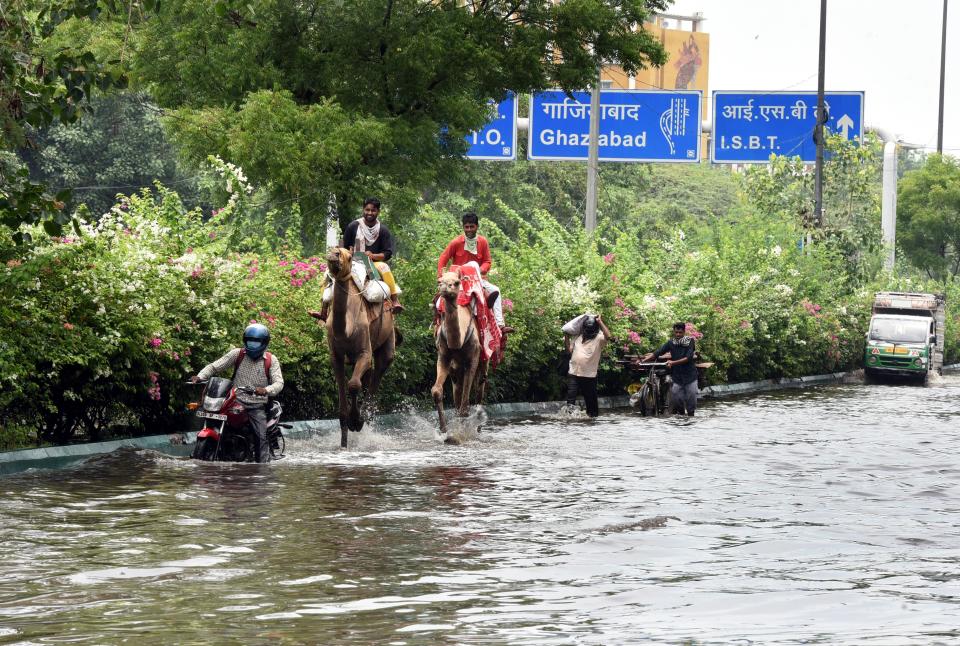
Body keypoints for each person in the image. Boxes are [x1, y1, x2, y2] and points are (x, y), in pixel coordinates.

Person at [191, 323, 284, 462]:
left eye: (256, 341)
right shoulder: (237, 354)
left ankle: (262, 468)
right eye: (250, 341)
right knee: (212, 416)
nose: (252, 344)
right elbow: (214, 366)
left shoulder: (271, 360)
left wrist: (265, 390)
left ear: (264, 343)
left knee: (260, 436)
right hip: (233, 401)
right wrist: (200, 376)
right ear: (245, 340)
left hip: (255, 405)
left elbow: (279, 383)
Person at [316, 197, 403, 322]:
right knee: (328, 273)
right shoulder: (353, 226)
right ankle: (323, 310)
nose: (369, 213)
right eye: (367, 210)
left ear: (378, 211)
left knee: (385, 267)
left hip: (373, 263)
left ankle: (395, 300)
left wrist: (372, 256)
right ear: (363, 210)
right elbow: (344, 247)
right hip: (353, 261)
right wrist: (348, 253)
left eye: (373, 210)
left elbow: (387, 253)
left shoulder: (383, 230)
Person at [437, 212, 513, 333]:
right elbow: (443, 258)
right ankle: (437, 327)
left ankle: (500, 325)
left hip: (478, 279)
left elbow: (487, 261)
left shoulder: (483, 242)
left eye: (472, 226)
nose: (469, 229)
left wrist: (479, 270)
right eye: (466, 227)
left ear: (477, 226)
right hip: (459, 281)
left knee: (496, 290)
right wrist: (441, 277)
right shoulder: (456, 242)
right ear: (463, 228)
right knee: (437, 303)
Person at [641, 321, 698, 416]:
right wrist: (643, 361)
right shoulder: (671, 343)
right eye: (676, 332)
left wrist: (673, 362)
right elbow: (658, 352)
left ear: (684, 332)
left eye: (680, 332)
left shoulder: (690, 341)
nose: (678, 334)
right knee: (677, 398)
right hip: (677, 376)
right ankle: (682, 417)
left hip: (690, 376)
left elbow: (688, 358)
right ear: (674, 332)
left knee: (691, 399)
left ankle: (690, 417)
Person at [564, 314, 610, 417]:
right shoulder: (577, 336)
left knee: (591, 402)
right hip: (574, 372)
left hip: (589, 375)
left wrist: (600, 322)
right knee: (570, 398)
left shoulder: (599, 339)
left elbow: (608, 336)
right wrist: (566, 336)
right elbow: (569, 350)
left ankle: (592, 419)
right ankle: (569, 418)